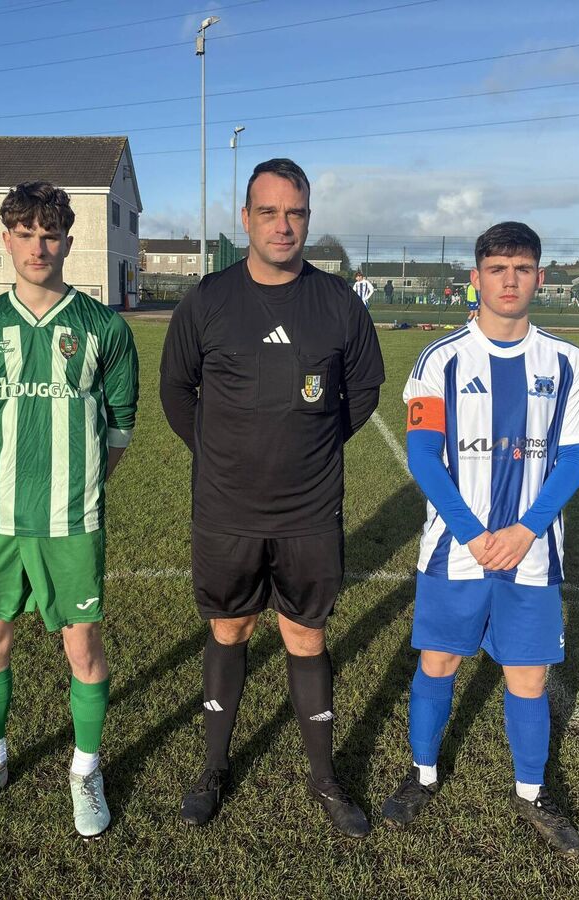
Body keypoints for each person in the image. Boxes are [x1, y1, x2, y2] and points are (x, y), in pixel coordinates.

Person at [159, 158, 385, 838]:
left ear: (308, 219)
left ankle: (324, 778)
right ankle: (213, 767)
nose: (282, 225)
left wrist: (310, 447)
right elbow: (175, 389)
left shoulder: (338, 303)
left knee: (306, 634)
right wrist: (219, 454)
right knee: (229, 628)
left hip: (308, 510)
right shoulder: (208, 300)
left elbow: (363, 391)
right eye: (269, 212)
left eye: (295, 213)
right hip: (226, 508)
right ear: (246, 219)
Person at [381, 221, 579, 858]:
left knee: (528, 676)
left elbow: (574, 461)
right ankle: (423, 775)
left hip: (531, 554)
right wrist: (474, 534)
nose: (510, 281)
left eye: (522, 268)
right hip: (457, 549)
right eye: (498, 269)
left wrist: (526, 529)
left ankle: (531, 792)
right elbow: (424, 458)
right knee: (438, 663)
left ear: (539, 277)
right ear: (475, 279)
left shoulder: (566, 361)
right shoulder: (440, 359)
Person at [0, 182, 140, 838]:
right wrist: (9, 473)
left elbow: (121, 424)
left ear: (68, 242)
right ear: (7, 240)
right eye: (25, 234)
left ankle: (85, 771)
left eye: (50, 235)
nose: (38, 247)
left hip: (71, 521)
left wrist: (80, 485)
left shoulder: (103, 326)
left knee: (82, 647)